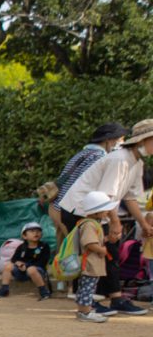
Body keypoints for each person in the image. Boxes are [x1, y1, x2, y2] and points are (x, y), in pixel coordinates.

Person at [58, 119, 153, 317]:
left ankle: (115, 298)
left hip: (100, 211)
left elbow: (130, 197)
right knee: (91, 256)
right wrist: (115, 222)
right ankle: (89, 302)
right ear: (142, 141)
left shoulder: (137, 163)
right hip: (80, 210)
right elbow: (105, 195)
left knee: (110, 253)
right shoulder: (119, 159)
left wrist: (143, 223)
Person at [50, 122, 127, 240]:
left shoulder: (82, 154)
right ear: (109, 139)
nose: (122, 142)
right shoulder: (100, 157)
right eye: (120, 139)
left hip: (57, 207)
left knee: (66, 246)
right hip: (73, 210)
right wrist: (113, 219)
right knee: (81, 247)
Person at [73, 192, 117, 323]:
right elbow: (89, 243)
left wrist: (108, 239)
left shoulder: (91, 223)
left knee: (86, 287)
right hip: (90, 263)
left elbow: (94, 240)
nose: (107, 212)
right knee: (88, 288)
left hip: (90, 262)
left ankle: (83, 311)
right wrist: (102, 250)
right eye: (105, 210)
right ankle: (85, 312)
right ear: (96, 211)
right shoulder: (89, 224)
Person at [0, 222, 52, 300]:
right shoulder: (22, 247)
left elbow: (42, 262)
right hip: (21, 271)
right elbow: (14, 259)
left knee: (31, 269)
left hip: (37, 271)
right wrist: (18, 263)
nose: (36, 233)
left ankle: (43, 291)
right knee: (8, 266)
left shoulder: (44, 246)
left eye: (38, 231)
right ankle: (4, 289)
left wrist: (26, 266)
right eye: (32, 231)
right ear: (24, 236)